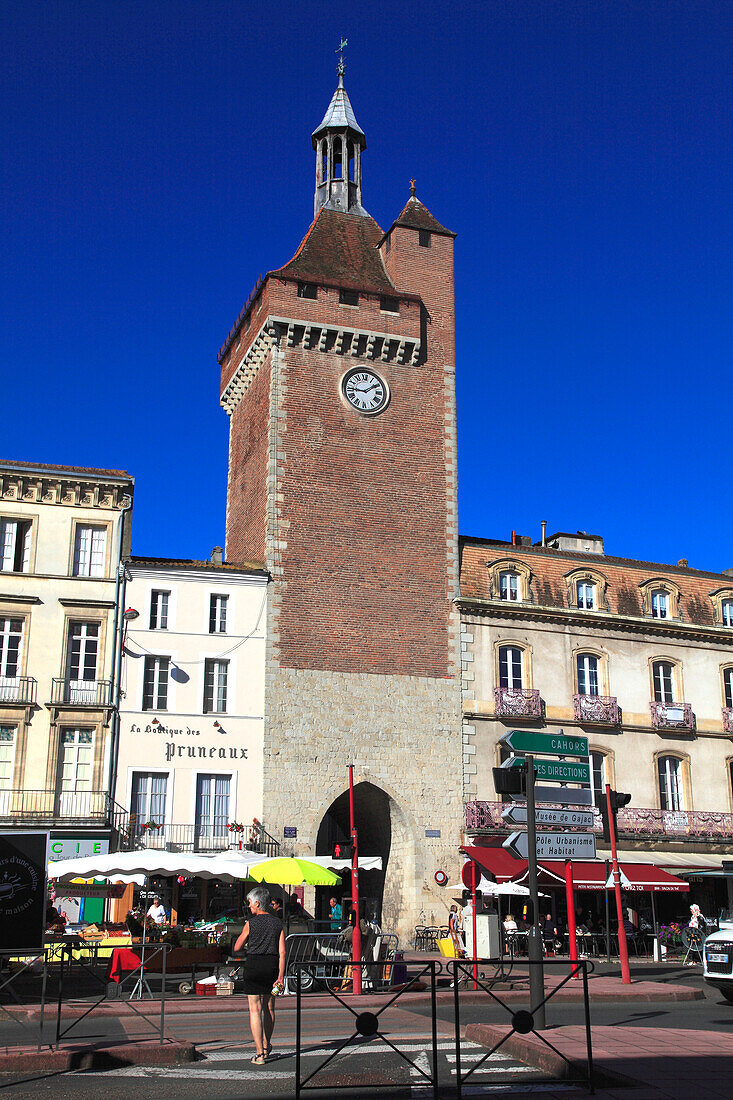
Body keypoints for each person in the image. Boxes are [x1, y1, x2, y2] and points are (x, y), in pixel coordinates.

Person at [234, 886, 286, 1065]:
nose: (249, 907)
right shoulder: (277, 923)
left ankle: (259, 1054)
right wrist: (281, 975)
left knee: (254, 1010)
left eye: (250, 903)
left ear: (257, 903)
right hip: (271, 966)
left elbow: (237, 947)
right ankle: (266, 1045)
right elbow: (283, 952)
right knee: (269, 1008)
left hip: (254, 965)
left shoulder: (251, 923)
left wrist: (247, 938)